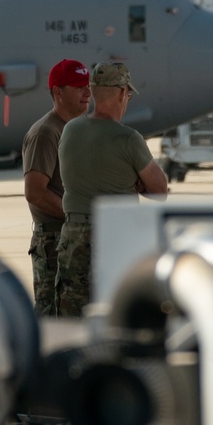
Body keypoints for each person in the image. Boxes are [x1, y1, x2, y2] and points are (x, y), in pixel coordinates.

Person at [55, 60, 168, 318]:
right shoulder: (128, 139)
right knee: (116, 309)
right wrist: (138, 182)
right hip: (115, 234)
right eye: (127, 94)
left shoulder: (70, 130)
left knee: (72, 313)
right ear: (120, 93)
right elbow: (160, 190)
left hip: (73, 234)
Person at [22, 58, 91, 316]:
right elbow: (35, 192)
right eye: (78, 86)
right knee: (53, 316)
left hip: (75, 238)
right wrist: (77, 216)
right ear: (57, 92)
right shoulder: (46, 133)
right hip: (54, 242)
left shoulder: (79, 129)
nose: (87, 93)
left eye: (88, 85)